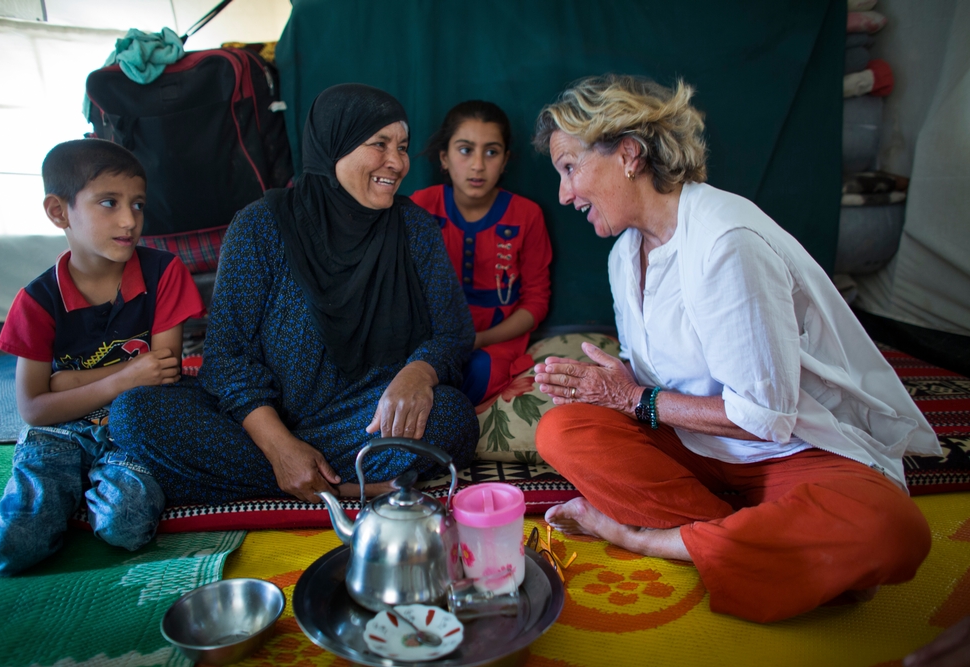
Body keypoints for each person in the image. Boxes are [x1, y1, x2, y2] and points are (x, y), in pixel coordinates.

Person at [529, 74, 942, 623]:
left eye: (569, 168)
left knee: (892, 529)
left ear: (628, 154)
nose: (564, 194)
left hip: (791, 453)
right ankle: (759, 541)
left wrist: (632, 400)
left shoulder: (726, 242)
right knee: (563, 430)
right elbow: (654, 372)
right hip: (699, 452)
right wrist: (601, 387)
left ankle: (653, 539)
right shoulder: (625, 255)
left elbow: (765, 420)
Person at [109, 84, 479, 506]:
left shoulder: (415, 230)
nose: (396, 162)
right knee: (135, 414)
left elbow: (453, 334)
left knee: (452, 417)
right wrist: (279, 446)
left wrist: (419, 374)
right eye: (379, 145)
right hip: (260, 423)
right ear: (333, 144)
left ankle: (289, 481)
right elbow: (226, 357)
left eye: (403, 147)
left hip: (363, 419)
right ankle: (330, 484)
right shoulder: (261, 226)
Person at [0, 139, 205, 575]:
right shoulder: (37, 300)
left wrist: (68, 383)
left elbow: (164, 369)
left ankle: (78, 493)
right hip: (61, 432)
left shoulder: (163, 272)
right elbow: (35, 409)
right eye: (108, 202)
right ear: (59, 212)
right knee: (7, 550)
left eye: (137, 205)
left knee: (128, 527)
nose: (128, 220)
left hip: (133, 426)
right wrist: (121, 379)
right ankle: (62, 492)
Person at [411, 101, 552, 405]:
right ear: (444, 158)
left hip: (496, 341)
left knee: (477, 372)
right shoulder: (420, 206)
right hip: (430, 338)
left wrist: (481, 339)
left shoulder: (526, 215)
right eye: (465, 150)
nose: (478, 165)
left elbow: (536, 302)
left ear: (504, 161)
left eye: (491, 152)